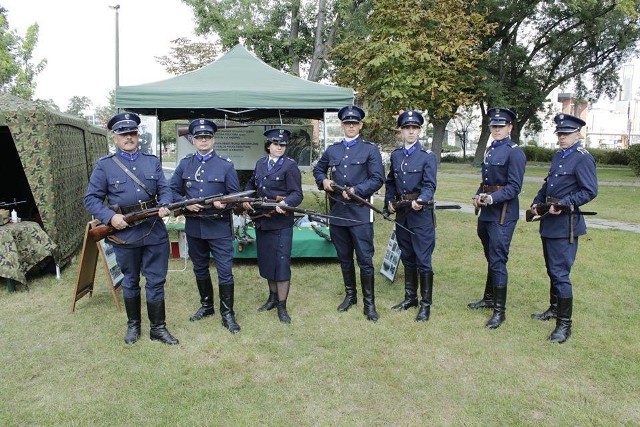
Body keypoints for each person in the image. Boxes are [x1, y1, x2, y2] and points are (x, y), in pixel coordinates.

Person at [84, 112, 178, 345]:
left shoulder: (152, 161)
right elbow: (91, 199)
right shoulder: (105, 166)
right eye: (123, 134)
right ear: (115, 137)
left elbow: (164, 190)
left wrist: (165, 204)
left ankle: (158, 328)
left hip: (154, 229)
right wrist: (110, 217)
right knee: (130, 280)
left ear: (138, 135)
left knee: (156, 281)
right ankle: (133, 327)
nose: (129, 137)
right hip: (125, 233)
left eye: (132, 133)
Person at [169, 119, 242, 334]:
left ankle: (227, 313)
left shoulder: (225, 164)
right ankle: (207, 306)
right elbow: (171, 191)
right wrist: (186, 203)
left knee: (224, 272)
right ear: (193, 140)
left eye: (207, 137)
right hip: (195, 226)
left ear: (213, 139)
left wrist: (225, 202)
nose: (203, 140)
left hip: (218, 226)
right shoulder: (185, 164)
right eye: (199, 137)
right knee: (199, 268)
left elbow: (235, 197)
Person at [312, 106, 385, 321]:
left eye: (354, 123)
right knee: (344, 258)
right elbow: (318, 169)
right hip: (338, 213)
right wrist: (323, 180)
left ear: (361, 125)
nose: (351, 126)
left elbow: (377, 178)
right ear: (342, 125)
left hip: (360, 213)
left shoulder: (370, 150)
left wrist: (356, 191)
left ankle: (369, 304)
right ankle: (350, 295)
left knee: (365, 259)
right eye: (347, 123)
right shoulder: (333, 150)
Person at [530, 113, 597, 344]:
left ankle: (564, 326)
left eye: (566, 133)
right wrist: (536, 201)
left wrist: (565, 203)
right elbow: (549, 184)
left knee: (560, 273)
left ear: (578, 134)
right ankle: (554, 309)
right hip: (549, 220)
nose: (562, 137)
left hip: (565, 224)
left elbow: (589, 190)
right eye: (559, 133)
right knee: (551, 269)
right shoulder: (559, 156)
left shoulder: (582, 158)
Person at [469, 107, 526, 329]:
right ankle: (489, 298)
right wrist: (478, 194)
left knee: (498, 259)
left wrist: (491, 198)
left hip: (503, 214)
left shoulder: (514, 152)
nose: (497, 129)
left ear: (510, 128)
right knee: (491, 257)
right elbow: (486, 181)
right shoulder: (491, 149)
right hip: (487, 212)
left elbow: (514, 187)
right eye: (494, 126)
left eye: (501, 126)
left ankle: (499, 312)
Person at [242, 128, 303, 323]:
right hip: (263, 220)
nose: (279, 147)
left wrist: (286, 204)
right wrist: (245, 198)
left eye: (283, 145)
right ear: (268, 145)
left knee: (282, 263)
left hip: (281, 222)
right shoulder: (261, 163)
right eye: (276, 144)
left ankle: (282, 306)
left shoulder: (290, 166)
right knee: (268, 261)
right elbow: (252, 185)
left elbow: (297, 194)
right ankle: (272, 298)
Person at [384, 110, 437, 322]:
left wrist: (421, 200)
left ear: (420, 131)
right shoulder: (396, 155)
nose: (411, 132)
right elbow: (390, 181)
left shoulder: (427, 157)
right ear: (401, 131)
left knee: (423, 259)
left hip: (420, 214)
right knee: (407, 256)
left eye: (414, 128)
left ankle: (425, 305)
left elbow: (430, 184)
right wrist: (389, 201)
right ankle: (410, 297)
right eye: (407, 128)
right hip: (402, 213)